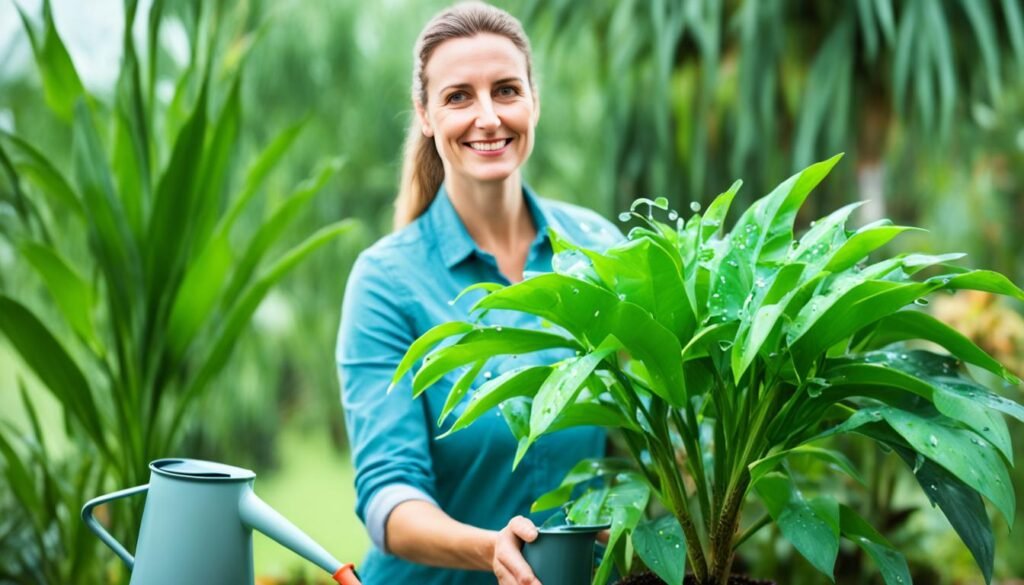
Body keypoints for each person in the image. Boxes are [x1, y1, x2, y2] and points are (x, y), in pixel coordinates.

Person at [336, 3, 621, 584]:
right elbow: (389, 499)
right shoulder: (386, 283)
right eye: (459, 96)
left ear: (534, 102)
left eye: (507, 90)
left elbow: (650, 424)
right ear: (424, 114)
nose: (488, 117)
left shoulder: (598, 247)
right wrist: (489, 548)